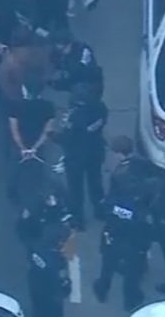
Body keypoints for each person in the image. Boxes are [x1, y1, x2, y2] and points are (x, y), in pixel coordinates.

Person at [92, 189, 154, 311]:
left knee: (107, 267)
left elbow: (101, 212)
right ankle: (130, 303)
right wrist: (144, 250)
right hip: (132, 246)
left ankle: (102, 291)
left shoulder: (115, 200)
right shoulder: (143, 213)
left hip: (111, 240)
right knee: (132, 276)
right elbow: (147, 234)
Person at [60, 80, 107, 229]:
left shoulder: (74, 117)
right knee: (95, 183)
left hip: (75, 156)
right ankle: (100, 210)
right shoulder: (101, 109)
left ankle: (78, 219)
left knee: (75, 189)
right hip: (95, 151)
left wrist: (53, 135)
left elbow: (67, 137)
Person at [28, 223, 73, 317]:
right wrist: (67, 286)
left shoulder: (36, 248)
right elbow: (63, 283)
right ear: (59, 242)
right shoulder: (58, 262)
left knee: (38, 311)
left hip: (35, 286)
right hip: (52, 296)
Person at [48, 28, 103, 94]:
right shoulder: (63, 54)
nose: (62, 52)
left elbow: (79, 72)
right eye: (59, 50)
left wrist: (59, 83)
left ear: (70, 43)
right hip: (76, 83)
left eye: (63, 49)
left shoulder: (84, 51)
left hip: (90, 84)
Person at [107, 135, 155, 205]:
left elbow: (112, 197)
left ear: (119, 154)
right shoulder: (145, 163)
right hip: (145, 203)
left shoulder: (117, 175)